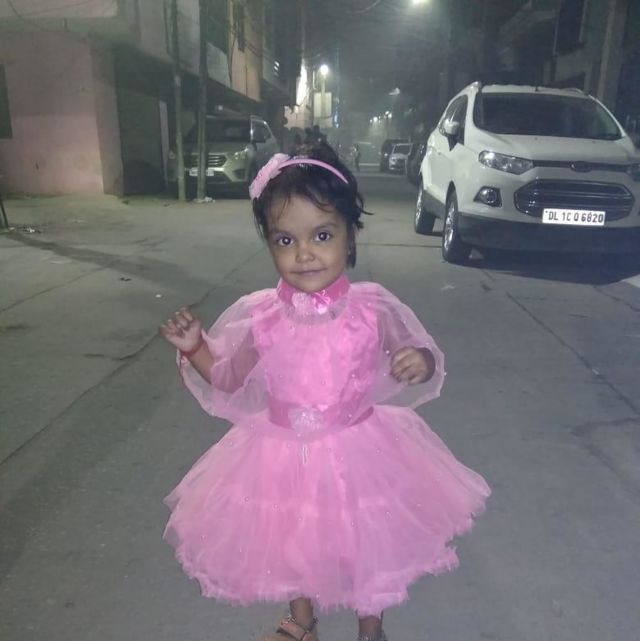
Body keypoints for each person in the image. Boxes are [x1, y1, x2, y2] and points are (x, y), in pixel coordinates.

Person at [159, 145, 490, 641]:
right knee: (292, 539)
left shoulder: (372, 308)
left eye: (321, 235)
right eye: (285, 239)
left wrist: (418, 361)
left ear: (349, 236)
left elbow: (414, 349)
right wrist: (195, 348)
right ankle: (302, 620)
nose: (304, 253)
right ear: (269, 244)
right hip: (280, 457)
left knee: (365, 543)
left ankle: (370, 627)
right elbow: (228, 378)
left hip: (357, 452)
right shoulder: (262, 316)